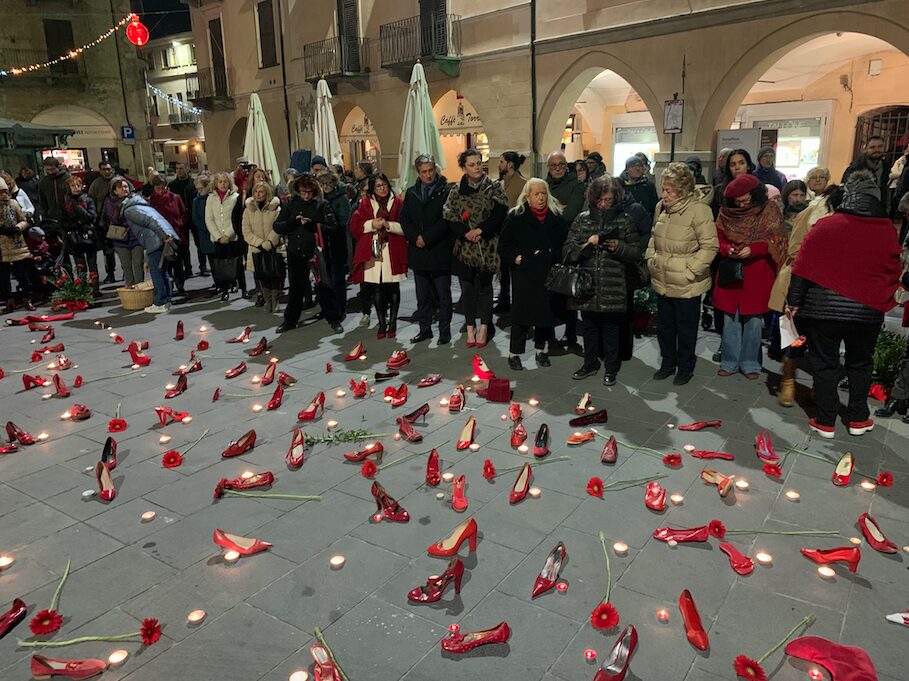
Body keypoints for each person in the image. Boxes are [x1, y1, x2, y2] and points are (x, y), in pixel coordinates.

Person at [787, 170, 902, 438]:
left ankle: (825, 421)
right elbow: (893, 268)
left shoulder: (826, 225)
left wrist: (794, 302)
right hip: (867, 310)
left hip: (825, 310)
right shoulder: (886, 231)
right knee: (860, 364)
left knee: (825, 364)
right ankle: (858, 418)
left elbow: (802, 268)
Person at [768, 184, 843, 406]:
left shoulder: (850, 216)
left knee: (824, 339)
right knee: (795, 334)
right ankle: (788, 377)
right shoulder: (814, 212)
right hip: (803, 281)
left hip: (831, 285)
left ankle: (818, 385)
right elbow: (795, 249)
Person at [561, 176, 640, 384]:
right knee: (589, 326)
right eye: (600, 200)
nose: (604, 204)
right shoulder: (582, 219)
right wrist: (586, 246)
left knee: (611, 329)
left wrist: (619, 247)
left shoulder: (624, 219)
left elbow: (636, 252)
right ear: (593, 198)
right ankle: (590, 362)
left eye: (608, 200)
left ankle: (611, 367)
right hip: (588, 283)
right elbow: (568, 250)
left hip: (613, 284)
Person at [646, 162, 718, 385]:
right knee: (665, 327)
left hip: (687, 283)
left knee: (685, 328)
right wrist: (651, 260)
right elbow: (653, 238)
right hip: (663, 278)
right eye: (663, 188)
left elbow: (710, 246)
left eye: (669, 189)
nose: (664, 193)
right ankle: (668, 363)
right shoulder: (661, 208)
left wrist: (690, 270)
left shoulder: (699, 210)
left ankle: (685, 366)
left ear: (683, 189)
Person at [714, 173, 787, 379]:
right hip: (731, 273)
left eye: (745, 197)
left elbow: (777, 240)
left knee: (754, 322)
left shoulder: (769, 210)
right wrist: (728, 249)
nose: (741, 202)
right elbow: (717, 238)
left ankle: (750, 363)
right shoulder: (725, 213)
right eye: (737, 199)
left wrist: (754, 249)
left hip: (758, 273)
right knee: (730, 320)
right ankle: (729, 361)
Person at [497, 178, 568, 371]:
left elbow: (564, 243)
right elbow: (504, 246)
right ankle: (514, 353)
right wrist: (516, 259)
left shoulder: (556, 217)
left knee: (545, 313)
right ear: (528, 197)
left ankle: (541, 350)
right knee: (522, 314)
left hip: (548, 273)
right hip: (525, 274)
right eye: (536, 194)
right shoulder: (516, 217)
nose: (541, 197)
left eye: (543, 193)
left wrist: (558, 260)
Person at [443, 148, 509, 347]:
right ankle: (470, 327)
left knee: (485, 289)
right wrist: (465, 232)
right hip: (464, 249)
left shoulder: (493, 187)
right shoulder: (456, 190)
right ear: (464, 168)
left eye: (479, 163)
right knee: (468, 289)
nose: (477, 167)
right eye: (471, 164)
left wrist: (480, 230)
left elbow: (499, 213)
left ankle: (484, 328)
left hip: (487, 247)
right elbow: (449, 215)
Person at [274, 173, 342, 334]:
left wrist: (313, 226)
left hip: (315, 252)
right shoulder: (290, 204)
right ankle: (290, 319)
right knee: (296, 288)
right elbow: (277, 226)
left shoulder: (321, 205)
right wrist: (293, 222)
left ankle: (333, 318)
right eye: (303, 192)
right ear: (298, 190)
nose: (306, 195)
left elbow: (333, 228)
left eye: (309, 192)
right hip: (295, 251)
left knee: (323, 287)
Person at [401, 154, 454, 345]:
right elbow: (405, 219)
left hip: (438, 249)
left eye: (431, 170)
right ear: (418, 173)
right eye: (424, 172)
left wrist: (427, 237)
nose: (428, 175)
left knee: (443, 294)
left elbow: (447, 218)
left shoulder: (446, 191)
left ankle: (444, 331)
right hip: (419, 251)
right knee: (422, 295)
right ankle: (425, 329)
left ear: (435, 169)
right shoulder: (411, 193)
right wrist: (416, 237)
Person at [350, 173, 407, 339]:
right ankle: (382, 322)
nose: (382, 188)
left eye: (384, 185)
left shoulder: (398, 202)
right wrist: (372, 224)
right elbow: (355, 225)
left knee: (393, 286)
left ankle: (393, 322)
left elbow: (407, 226)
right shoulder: (366, 203)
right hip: (373, 249)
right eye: (378, 186)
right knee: (377, 287)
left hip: (392, 248)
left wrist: (389, 225)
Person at [120, 187, 180, 313]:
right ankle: (166, 300)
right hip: (160, 239)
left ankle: (160, 302)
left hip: (156, 241)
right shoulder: (142, 205)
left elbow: (151, 222)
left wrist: (164, 237)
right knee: (163, 271)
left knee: (157, 272)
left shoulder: (130, 210)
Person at [242, 181, 283, 313]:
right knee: (262, 276)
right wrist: (260, 243)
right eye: (256, 192)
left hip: (274, 247)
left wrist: (270, 242)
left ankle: (275, 301)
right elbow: (246, 231)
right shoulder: (248, 211)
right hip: (257, 248)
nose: (258, 195)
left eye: (261, 192)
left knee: (275, 275)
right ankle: (267, 301)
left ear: (267, 193)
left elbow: (278, 228)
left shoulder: (276, 209)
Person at [205, 172, 247, 301]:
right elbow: (209, 219)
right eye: (220, 182)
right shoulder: (210, 198)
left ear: (229, 182)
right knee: (221, 266)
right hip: (218, 239)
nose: (223, 184)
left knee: (237, 264)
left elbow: (237, 219)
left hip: (233, 238)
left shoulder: (236, 197)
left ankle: (243, 289)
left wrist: (228, 235)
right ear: (216, 184)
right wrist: (218, 236)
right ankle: (225, 290)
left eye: (225, 181)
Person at [495, 151, 528, 314]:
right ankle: (503, 299)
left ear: (509, 164)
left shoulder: (523, 183)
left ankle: (517, 303)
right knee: (502, 270)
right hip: (500, 232)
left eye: (501, 162)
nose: (499, 165)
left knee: (515, 270)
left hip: (516, 233)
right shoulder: (499, 182)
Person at [317, 170, 351, 321]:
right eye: (323, 184)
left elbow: (344, 220)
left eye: (328, 183)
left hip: (336, 241)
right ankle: (328, 307)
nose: (325, 186)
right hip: (322, 243)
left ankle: (340, 308)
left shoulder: (341, 198)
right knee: (324, 278)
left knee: (337, 278)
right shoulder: (319, 198)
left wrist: (330, 221)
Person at [0, 176, 36, 312]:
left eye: (5, 191)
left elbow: (23, 219)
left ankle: (27, 299)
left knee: (22, 274)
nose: (4, 194)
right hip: (2, 247)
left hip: (16, 244)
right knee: (4, 278)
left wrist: (17, 228)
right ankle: (9, 301)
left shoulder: (14, 203)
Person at [149, 175, 188, 295]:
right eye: (158, 188)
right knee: (165, 265)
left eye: (163, 188)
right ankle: (168, 289)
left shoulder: (175, 198)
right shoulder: (152, 200)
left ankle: (180, 286)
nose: (161, 191)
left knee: (178, 263)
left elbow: (183, 213)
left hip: (176, 235)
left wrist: (180, 225)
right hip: (161, 237)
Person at [104, 177, 145, 289]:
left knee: (138, 264)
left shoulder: (136, 199)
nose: (124, 189)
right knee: (126, 265)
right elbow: (114, 219)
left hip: (136, 236)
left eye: (126, 186)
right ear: (114, 190)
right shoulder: (110, 202)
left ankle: (140, 287)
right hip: (120, 239)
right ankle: (130, 288)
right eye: (120, 187)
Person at [61, 175, 100, 292]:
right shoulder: (65, 201)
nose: (76, 188)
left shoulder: (87, 199)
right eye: (73, 186)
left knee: (92, 264)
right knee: (80, 265)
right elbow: (62, 219)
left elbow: (91, 216)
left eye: (78, 185)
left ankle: (95, 289)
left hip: (88, 234)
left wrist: (77, 206)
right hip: (74, 236)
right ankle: (83, 289)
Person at [842, 135, 890, 214]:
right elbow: (846, 187)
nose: (877, 150)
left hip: (879, 207)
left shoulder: (886, 165)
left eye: (880, 146)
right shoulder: (856, 166)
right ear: (866, 149)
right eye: (872, 147)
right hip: (859, 207)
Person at [87, 162, 117, 284]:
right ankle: (110, 273)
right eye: (104, 169)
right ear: (100, 171)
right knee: (107, 250)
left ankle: (127, 272)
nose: (106, 172)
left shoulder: (118, 181)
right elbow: (90, 202)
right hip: (103, 222)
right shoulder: (96, 184)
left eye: (108, 169)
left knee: (123, 249)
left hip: (118, 221)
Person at [168, 161, 201, 275]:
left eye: (181, 168)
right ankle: (188, 268)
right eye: (177, 168)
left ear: (187, 169)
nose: (179, 171)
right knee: (183, 244)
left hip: (193, 216)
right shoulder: (173, 185)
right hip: (181, 218)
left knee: (199, 242)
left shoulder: (193, 183)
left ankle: (203, 266)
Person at [546, 151, 585, 224]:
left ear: (566, 165)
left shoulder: (577, 185)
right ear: (548, 167)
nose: (557, 168)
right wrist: (560, 207)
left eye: (561, 164)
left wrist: (549, 208)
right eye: (553, 165)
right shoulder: (544, 186)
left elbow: (570, 214)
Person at [620, 155, 659, 221]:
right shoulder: (620, 185)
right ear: (627, 170)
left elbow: (654, 206)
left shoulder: (648, 185)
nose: (637, 169)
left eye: (640, 166)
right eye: (633, 166)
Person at [191, 173, 216, 278]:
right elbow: (195, 218)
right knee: (212, 260)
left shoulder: (214, 198)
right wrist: (207, 227)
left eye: (201, 189)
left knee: (221, 260)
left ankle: (229, 282)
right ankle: (218, 282)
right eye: (197, 189)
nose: (199, 191)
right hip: (205, 234)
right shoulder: (196, 201)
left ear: (208, 186)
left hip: (216, 233)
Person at [37, 156, 71, 225]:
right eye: (47, 170)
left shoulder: (67, 178)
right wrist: (45, 214)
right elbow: (42, 199)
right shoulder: (44, 181)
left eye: (52, 169)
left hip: (68, 214)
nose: (50, 172)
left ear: (57, 167)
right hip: (51, 215)